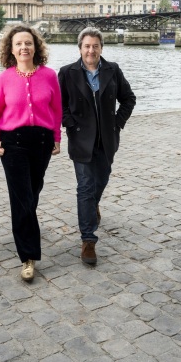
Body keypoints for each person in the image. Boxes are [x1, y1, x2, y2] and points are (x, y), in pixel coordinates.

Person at [58, 27, 136, 265]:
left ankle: (93, 207)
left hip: (107, 139)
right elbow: (58, 106)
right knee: (85, 186)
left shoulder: (112, 70)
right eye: (87, 46)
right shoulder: (66, 73)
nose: (91, 50)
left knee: (100, 181)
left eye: (95, 46)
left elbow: (128, 99)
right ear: (80, 48)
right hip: (81, 140)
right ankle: (88, 240)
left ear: (101, 48)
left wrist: (117, 124)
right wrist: (70, 125)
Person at [0, 25, 62, 282]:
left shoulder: (50, 76)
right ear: (11, 49)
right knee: (21, 199)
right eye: (19, 44)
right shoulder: (3, 79)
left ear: (36, 47)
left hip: (41, 142)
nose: (24, 48)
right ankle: (28, 257)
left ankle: (26, 230)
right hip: (14, 143)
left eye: (28, 43)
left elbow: (56, 109)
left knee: (31, 195)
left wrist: (56, 138)